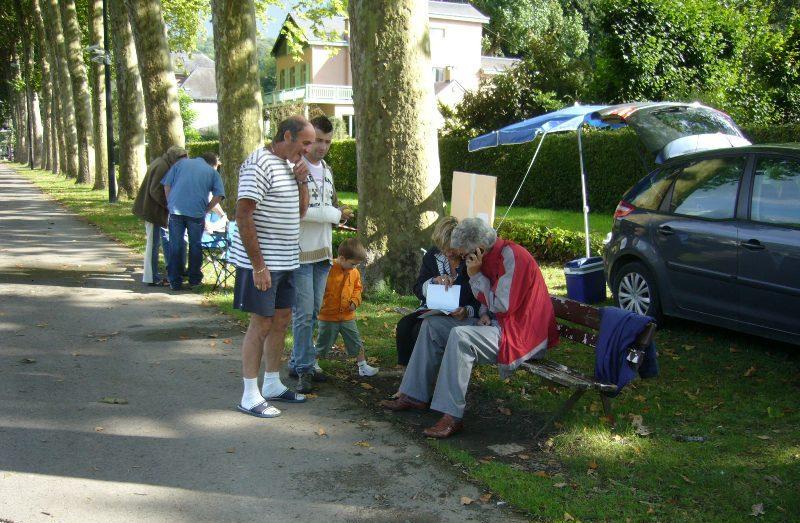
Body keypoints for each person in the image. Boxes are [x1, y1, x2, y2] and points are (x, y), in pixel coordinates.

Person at [381, 218, 559, 438]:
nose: (463, 261)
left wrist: (475, 276)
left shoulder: (513, 257)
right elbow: (489, 302)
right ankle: (413, 394)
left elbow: (502, 305)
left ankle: (451, 415)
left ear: (478, 248)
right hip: (499, 324)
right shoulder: (487, 256)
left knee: (460, 335)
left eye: (464, 255)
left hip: (521, 333)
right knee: (432, 325)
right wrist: (483, 313)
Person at [229, 115, 315, 418]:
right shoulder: (258, 164)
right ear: (287, 135)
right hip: (264, 264)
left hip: (287, 260)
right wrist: (259, 266)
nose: (308, 150)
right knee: (261, 323)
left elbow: (301, 212)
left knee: (281, 320)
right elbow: (243, 215)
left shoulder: (291, 166)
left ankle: (272, 383)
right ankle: (249, 395)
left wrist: (302, 181)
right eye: (304, 143)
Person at [289, 115, 353, 384]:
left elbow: (333, 207)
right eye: (317, 140)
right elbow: (299, 212)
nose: (322, 147)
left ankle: (299, 361)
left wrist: (341, 214)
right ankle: (304, 367)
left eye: (327, 141)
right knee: (303, 313)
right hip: (301, 251)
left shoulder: (326, 169)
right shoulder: (296, 167)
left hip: (323, 252)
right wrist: (335, 214)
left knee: (314, 312)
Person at [395, 216, 481, 367]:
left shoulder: (471, 260)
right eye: (443, 248)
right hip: (433, 309)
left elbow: (480, 296)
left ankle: (427, 373)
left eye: (451, 248)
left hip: (461, 314)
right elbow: (418, 288)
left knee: (421, 330)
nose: (447, 253)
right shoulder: (432, 256)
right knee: (404, 325)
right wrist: (434, 281)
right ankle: (408, 372)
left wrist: (467, 311)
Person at [307, 238, 378, 393]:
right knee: (323, 342)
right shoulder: (328, 269)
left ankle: (363, 366)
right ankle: (313, 362)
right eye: (353, 264)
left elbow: (358, 289)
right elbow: (319, 288)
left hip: (347, 315)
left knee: (355, 340)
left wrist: (355, 300)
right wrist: (321, 305)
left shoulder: (355, 272)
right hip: (328, 316)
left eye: (357, 265)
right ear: (342, 258)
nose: (355, 267)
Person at [161, 153, 226, 290]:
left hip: (176, 211)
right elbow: (219, 195)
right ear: (213, 164)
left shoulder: (180, 164)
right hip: (196, 212)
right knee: (195, 245)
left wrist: (170, 203)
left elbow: (167, 185)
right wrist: (206, 209)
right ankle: (194, 279)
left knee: (175, 245)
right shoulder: (211, 172)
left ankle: (174, 280)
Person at [132, 146, 187, 286]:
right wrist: (170, 205)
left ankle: (153, 275)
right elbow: (155, 191)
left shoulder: (161, 163)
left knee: (154, 243)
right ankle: (150, 277)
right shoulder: (163, 167)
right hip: (152, 211)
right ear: (175, 158)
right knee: (152, 244)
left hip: (152, 210)